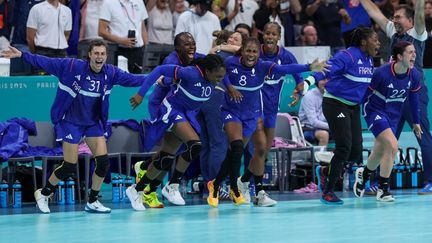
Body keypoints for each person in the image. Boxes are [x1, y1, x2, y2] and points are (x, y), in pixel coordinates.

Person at [1, 39, 147, 213]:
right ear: (90, 55)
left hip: (92, 123)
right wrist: (22, 55)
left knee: (103, 163)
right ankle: (44, 193)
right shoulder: (72, 66)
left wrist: (155, 78)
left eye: (102, 54)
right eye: (96, 54)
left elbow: (133, 79)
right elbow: (46, 62)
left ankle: (92, 200)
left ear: (106, 56)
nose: (99, 57)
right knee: (69, 165)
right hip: (71, 122)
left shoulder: (110, 73)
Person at [207, 37, 329, 207]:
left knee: (245, 151)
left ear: (259, 54)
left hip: (251, 115)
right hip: (231, 111)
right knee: (236, 147)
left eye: (254, 52)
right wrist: (230, 88)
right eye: (248, 51)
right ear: (242, 51)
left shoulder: (263, 66)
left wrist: (308, 67)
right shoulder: (231, 62)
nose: (251, 55)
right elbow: (223, 74)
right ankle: (235, 187)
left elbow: (285, 68)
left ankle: (218, 183)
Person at [125, 54, 226, 211]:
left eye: (222, 76)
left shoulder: (213, 80)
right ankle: (173, 185)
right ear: (207, 71)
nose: (221, 79)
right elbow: (159, 70)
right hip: (172, 110)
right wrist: (140, 94)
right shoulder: (191, 73)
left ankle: (136, 190)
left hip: (185, 115)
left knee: (166, 158)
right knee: (195, 146)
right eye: (218, 76)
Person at [359, 0, 432, 194]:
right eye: (394, 17)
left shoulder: (417, 33)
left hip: (414, 94)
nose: (394, 19)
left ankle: (430, 181)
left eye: (398, 16)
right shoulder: (394, 32)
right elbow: (375, 13)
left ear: (409, 21)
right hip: (392, 98)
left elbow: (419, 15)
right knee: (386, 141)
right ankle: (378, 183)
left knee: (422, 136)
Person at [303, 27, 380, 205]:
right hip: (335, 103)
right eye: (375, 39)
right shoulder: (347, 56)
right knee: (344, 146)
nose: (378, 43)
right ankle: (328, 192)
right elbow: (325, 70)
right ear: (363, 42)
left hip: (352, 107)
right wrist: (309, 81)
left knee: (355, 151)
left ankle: (324, 171)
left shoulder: (369, 60)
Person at [133, 32, 206, 206]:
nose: (192, 47)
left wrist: (223, 47)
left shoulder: (196, 57)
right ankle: (162, 185)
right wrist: (166, 81)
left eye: (193, 43)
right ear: (178, 48)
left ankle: (145, 174)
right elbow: (163, 79)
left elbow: (211, 60)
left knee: (171, 151)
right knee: (182, 147)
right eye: (187, 44)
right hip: (162, 105)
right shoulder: (171, 60)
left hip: (182, 106)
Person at [238, 22, 305, 206]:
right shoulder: (253, 52)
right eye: (266, 33)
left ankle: (243, 180)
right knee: (258, 148)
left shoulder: (286, 56)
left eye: (273, 34)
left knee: (264, 152)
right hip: (254, 108)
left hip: (271, 110)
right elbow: (235, 58)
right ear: (262, 35)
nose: (269, 37)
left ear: (279, 36)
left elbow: (300, 81)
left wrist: (298, 92)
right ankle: (258, 192)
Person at [353, 41, 422, 202]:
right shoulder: (382, 73)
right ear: (399, 56)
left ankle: (364, 174)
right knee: (392, 145)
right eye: (410, 52)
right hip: (375, 111)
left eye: (414, 52)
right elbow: (365, 94)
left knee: (380, 150)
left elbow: (414, 98)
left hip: (393, 114)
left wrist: (416, 121)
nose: (414, 55)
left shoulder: (414, 74)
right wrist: (353, 112)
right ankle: (383, 189)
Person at [98, 0, 149, 73]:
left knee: (138, 80)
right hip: (119, 50)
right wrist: (121, 40)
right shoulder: (108, 2)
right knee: (119, 81)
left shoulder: (139, 1)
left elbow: (143, 28)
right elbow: (101, 31)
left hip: (138, 52)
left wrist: (147, 50)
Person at [299, 79, 330, 146]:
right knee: (324, 135)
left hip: (326, 127)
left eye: (328, 79)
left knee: (347, 132)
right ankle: (320, 156)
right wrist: (333, 127)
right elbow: (314, 122)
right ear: (317, 82)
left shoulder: (332, 95)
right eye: (323, 80)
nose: (326, 82)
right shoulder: (309, 96)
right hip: (308, 128)